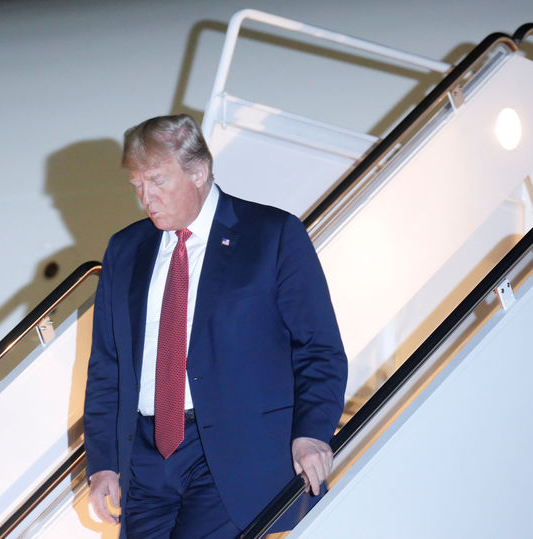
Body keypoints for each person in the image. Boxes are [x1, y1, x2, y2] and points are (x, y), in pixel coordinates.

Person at [83, 114, 347, 538]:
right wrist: (103, 463)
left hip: (231, 451)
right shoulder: (125, 249)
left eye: (157, 181)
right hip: (146, 459)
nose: (146, 198)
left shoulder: (273, 235)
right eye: (137, 186)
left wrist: (313, 432)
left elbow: (319, 349)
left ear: (199, 170)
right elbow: (108, 366)